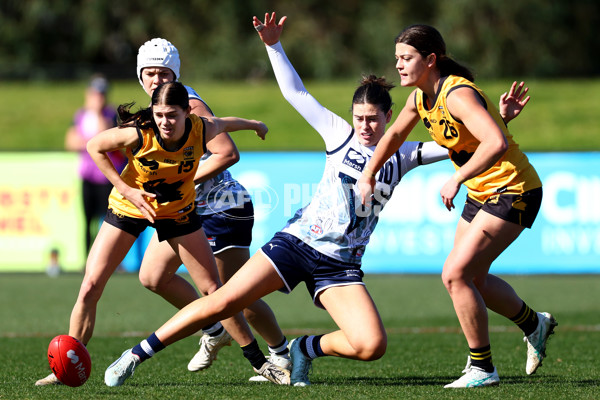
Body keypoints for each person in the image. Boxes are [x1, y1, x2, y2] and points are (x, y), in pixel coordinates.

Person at [103, 12, 527, 388]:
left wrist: (497, 119)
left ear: (388, 119)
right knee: (225, 299)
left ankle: (302, 349)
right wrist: (274, 47)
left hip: (340, 264)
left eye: (373, 119)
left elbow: (461, 143)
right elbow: (296, 93)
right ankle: (135, 355)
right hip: (297, 244)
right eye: (358, 117)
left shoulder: (405, 153)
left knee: (371, 344)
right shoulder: (338, 133)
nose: (363, 126)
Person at [36, 82, 290, 387]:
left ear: (186, 112)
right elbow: (95, 146)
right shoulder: (140, 132)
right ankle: (68, 365)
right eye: (159, 115)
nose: (165, 122)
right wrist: (128, 190)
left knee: (214, 290)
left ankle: (260, 363)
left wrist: (255, 125)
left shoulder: (200, 128)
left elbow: (227, 123)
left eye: (172, 115)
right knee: (90, 285)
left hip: (178, 212)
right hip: (128, 207)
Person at [358, 24, 557, 388]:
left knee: (455, 275)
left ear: (431, 60)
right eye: (397, 58)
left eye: (407, 58)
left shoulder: (455, 94)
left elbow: (495, 142)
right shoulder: (420, 97)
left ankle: (482, 368)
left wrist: (457, 178)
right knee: (472, 279)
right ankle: (534, 323)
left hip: (514, 189)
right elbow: (395, 135)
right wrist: (368, 173)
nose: (399, 65)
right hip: (485, 192)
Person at [135, 38, 290, 381]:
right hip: (187, 211)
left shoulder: (189, 103)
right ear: (140, 76)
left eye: (163, 73)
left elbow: (227, 153)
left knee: (235, 295)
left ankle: (281, 355)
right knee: (152, 277)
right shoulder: (157, 108)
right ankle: (214, 329)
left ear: (174, 73)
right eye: (149, 73)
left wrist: (182, 181)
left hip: (221, 207)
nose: (157, 80)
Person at [64, 75, 126, 257]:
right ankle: (86, 258)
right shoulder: (81, 115)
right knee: (87, 220)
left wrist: (98, 115)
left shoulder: (111, 115)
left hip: (108, 175)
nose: (98, 98)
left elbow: (106, 138)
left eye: (102, 94)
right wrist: (91, 143)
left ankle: (111, 259)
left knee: (109, 221)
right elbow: (71, 142)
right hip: (88, 175)